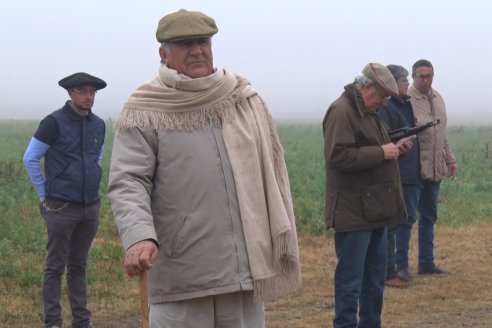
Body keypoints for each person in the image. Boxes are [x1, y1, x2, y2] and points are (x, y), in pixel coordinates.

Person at [107, 9, 301, 328]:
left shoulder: (240, 97)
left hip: (243, 270)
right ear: (163, 53)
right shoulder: (146, 109)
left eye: (203, 41)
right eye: (186, 44)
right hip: (182, 274)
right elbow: (128, 181)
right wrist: (139, 236)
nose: (197, 50)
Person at [323, 63, 409, 328]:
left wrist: (395, 148)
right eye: (382, 95)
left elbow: (373, 148)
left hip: (375, 211)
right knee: (350, 282)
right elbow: (338, 156)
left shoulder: (369, 111)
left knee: (374, 280)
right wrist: (382, 153)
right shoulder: (341, 111)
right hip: (353, 213)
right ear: (367, 87)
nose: (384, 103)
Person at [23, 72, 106, 328]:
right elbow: (30, 158)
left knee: (79, 266)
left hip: (90, 206)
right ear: (70, 93)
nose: (88, 96)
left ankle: (82, 321)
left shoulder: (99, 125)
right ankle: (53, 322)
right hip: (60, 206)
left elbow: (97, 158)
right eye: (82, 91)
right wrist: (43, 193)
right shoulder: (53, 122)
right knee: (55, 267)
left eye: (92, 91)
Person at [406, 59, 457, 275]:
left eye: (429, 76)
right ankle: (399, 267)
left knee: (429, 217)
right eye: (421, 76)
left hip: (435, 170)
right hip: (414, 170)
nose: (426, 80)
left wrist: (450, 159)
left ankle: (426, 263)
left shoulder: (438, 98)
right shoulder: (406, 100)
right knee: (407, 219)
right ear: (413, 77)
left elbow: (441, 133)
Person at [378, 65, 420, 288]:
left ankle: (397, 267)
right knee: (393, 225)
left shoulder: (404, 104)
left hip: (409, 172)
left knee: (405, 221)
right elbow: (385, 140)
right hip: (397, 173)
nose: (407, 84)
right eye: (404, 80)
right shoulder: (387, 107)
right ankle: (389, 271)